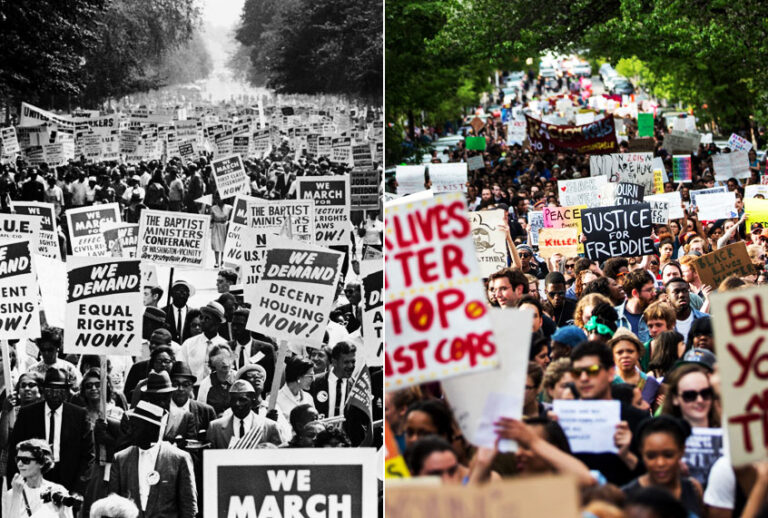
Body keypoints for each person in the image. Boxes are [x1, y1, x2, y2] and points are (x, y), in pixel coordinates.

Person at [567, 341, 647, 486]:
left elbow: (651, 477)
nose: (584, 378)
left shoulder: (638, 419)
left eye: (593, 370)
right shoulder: (564, 419)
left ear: (611, 373)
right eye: (577, 372)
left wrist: (627, 455)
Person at [8, 368, 94, 494]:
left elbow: (88, 455)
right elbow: (15, 451)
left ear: (66, 391)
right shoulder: (28, 414)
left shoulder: (79, 415)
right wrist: (18, 483)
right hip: (35, 475)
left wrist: (78, 490)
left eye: (59, 389)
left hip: (68, 478)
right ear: (43, 389)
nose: (54, 394)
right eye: (50, 389)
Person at [109, 400, 197, 518]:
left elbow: (189, 508)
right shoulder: (120, 458)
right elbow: (113, 505)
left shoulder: (179, 458)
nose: (130, 432)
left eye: (136, 427)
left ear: (152, 429)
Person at [621, 416, 703, 517]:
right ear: (641, 453)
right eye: (651, 456)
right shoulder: (626, 496)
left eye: (668, 455)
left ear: (682, 451)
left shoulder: (694, 489)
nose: (660, 463)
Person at [4, 439, 75, 518]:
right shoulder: (12, 494)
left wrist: (61, 511)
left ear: (41, 463)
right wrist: (16, 495)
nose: (19, 464)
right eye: (18, 459)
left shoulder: (58, 491)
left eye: (25, 460)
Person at [206, 380, 281, 448]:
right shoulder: (215, 428)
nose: (237, 404)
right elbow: (209, 459)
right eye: (233, 400)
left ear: (252, 400)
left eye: (242, 400)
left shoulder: (269, 427)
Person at [177, 301, 228, 384]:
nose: (202, 321)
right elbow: (180, 368)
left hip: (216, 392)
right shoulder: (189, 344)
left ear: (217, 322)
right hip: (193, 390)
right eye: (202, 317)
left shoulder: (225, 346)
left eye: (207, 318)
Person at [309, 340, 356, 419]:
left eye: (353, 362)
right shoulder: (314, 382)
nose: (351, 366)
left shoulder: (355, 385)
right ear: (334, 362)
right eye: (346, 362)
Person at [615, 269, 656, 342]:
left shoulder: (658, 315)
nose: (654, 293)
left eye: (653, 289)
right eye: (649, 290)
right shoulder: (613, 316)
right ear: (635, 293)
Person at [665, 277, 708, 343]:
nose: (681, 295)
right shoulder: (664, 325)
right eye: (676, 292)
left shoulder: (707, 320)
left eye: (685, 291)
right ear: (667, 298)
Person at [195, 345, 234, 416]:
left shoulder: (238, 377)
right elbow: (201, 410)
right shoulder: (206, 383)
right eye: (220, 359)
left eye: (228, 358)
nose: (225, 362)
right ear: (212, 362)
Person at [276, 356, 316, 421]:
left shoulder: (308, 398)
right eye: (310, 376)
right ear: (298, 378)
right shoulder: (275, 399)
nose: (313, 379)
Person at [163, 280, 195, 345]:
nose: (181, 296)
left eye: (184, 293)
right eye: (178, 292)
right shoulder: (163, 312)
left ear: (188, 295)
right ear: (171, 294)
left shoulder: (193, 314)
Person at [209, 191, 232, 268]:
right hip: (216, 226)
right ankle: (216, 262)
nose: (219, 199)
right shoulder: (213, 208)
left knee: (224, 244)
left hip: (225, 226)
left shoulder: (229, 208)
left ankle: (222, 261)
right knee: (216, 243)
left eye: (220, 197)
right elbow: (210, 219)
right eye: (217, 197)